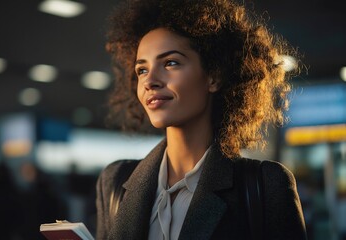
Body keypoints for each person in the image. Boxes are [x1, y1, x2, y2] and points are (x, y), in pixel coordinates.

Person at [96, 0, 307, 239]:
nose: (149, 81)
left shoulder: (266, 185)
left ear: (214, 77)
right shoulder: (115, 183)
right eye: (142, 69)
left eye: (171, 63)